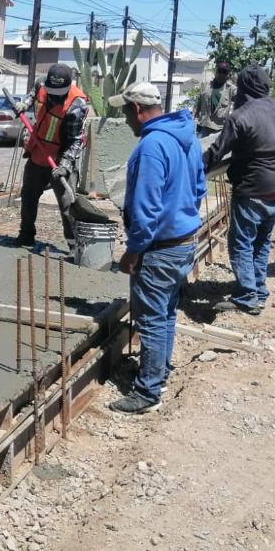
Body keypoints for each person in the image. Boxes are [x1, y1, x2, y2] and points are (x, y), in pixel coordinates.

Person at [107, 82, 206, 414]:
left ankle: (147, 392)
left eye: (125, 112)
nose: (126, 121)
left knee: (150, 318)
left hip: (159, 248)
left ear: (137, 109)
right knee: (164, 313)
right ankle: (158, 374)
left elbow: (146, 207)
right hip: (184, 243)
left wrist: (133, 250)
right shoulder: (186, 137)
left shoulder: (151, 146)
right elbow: (198, 188)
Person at [204, 65, 275, 315]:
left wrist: (192, 166)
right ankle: (258, 289)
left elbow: (217, 152)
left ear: (243, 88)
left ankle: (247, 296)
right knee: (261, 242)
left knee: (241, 243)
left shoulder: (240, 116)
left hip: (252, 187)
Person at [12, 63, 88, 248]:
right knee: (28, 196)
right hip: (38, 152)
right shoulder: (41, 84)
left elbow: (75, 140)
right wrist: (24, 104)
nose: (54, 95)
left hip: (61, 156)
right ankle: (26, 235)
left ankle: (74, 246)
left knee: (67, 205)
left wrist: (64, 166)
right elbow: (31, 97)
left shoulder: (76, 104)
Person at [194, 60, 236, 137]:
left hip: (220, 129)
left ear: (228, 75)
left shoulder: (231, 89)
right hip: (204, 126)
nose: (221, 74)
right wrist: (195, 116)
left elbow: (242, 102)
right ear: (216, 72)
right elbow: (199, 102)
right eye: (219, 71)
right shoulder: (206, 85)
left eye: (224, 72)